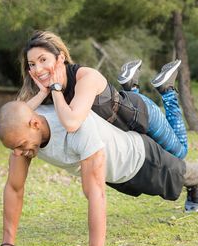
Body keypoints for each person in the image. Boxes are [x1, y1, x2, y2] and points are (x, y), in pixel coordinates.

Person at [0, 101, 198, 246]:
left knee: (184, 173)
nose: (18, 152)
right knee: (179, 181)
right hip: (115, 174)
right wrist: (8, 243)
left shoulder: (76, 129)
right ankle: (194, 186)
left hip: (140, 159)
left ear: (35, 123)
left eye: (20, 144)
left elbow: (95, 194)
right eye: (12, 148)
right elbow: (15, 188)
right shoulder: (23, 142)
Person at [18, 30, 187, 160]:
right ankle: (130, 85)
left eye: (43, 60)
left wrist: (54, 89)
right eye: (32, 64)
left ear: (60, 58)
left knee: (180, 153)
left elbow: (71, 123)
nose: (37, 70)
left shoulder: (85, 77)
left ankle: (167, 90)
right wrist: (42, 92)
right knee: (122, 105)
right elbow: (16, 117)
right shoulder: (51, 89)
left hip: (144, 115)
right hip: (125, 115)